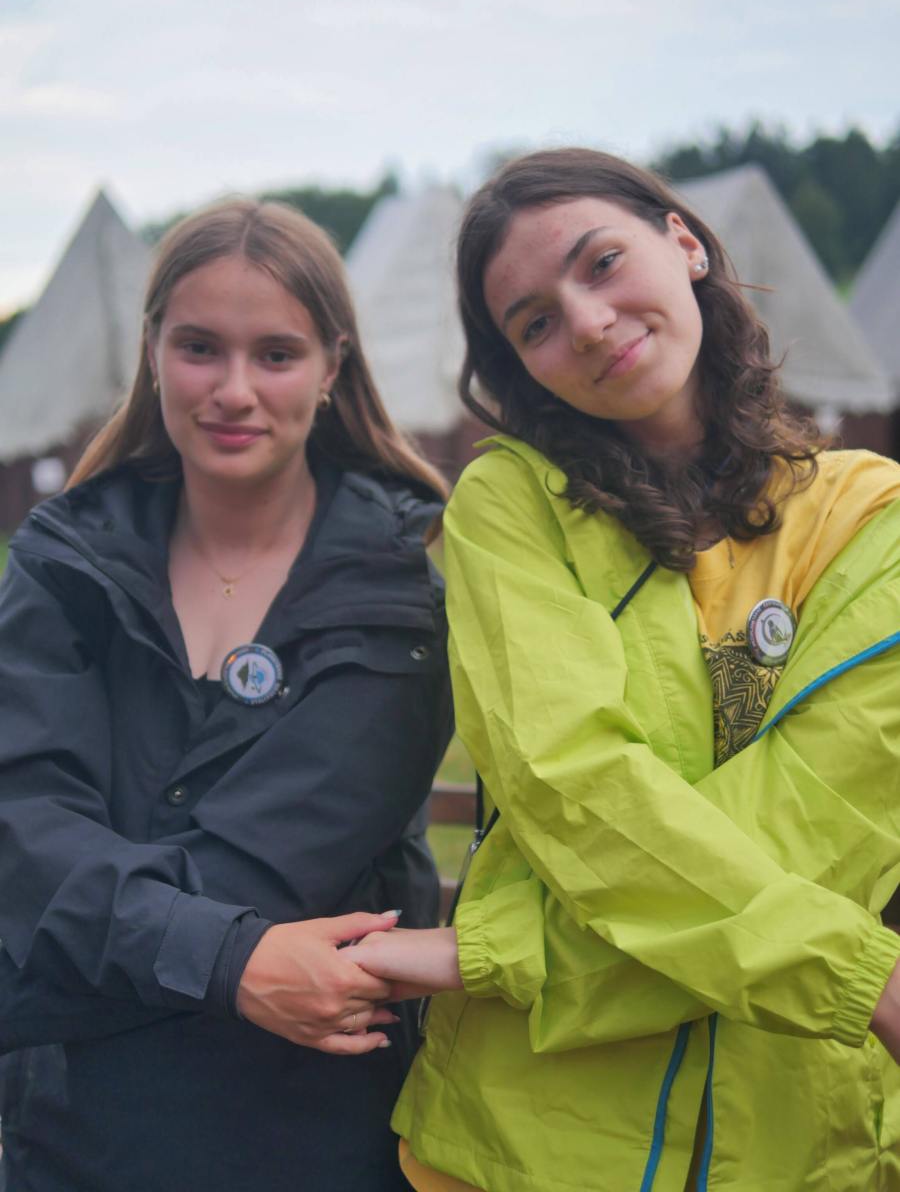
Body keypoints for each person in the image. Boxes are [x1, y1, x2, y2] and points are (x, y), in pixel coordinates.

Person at [348, 149, 900, 1192]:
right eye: (536, 324)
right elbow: (575, 788)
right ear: (522, 368)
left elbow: (826, 826)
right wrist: (859, 976)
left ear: (683, 242)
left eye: (601, 263)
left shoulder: (873, 516)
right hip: (529, 1145)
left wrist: (501, 952)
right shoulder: (512, 505)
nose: (590, 323)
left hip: (800, 1142)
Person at [0, 199, 453, 1191]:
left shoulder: (393, 598)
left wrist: (32, 970)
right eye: (200, 347)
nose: (234, 391)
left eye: (276, 355)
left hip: (300, 1126)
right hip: (71, 1135)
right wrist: (234, 962)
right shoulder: (63, 563)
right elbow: (22, 824)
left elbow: (267, 868)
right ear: (153, 350)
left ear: (332, 366)